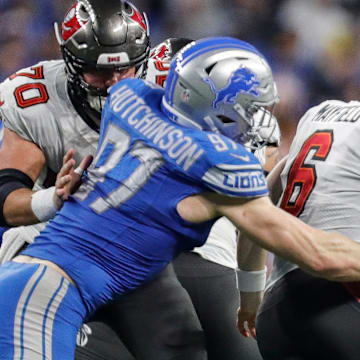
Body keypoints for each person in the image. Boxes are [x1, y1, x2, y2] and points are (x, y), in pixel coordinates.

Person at [0, 36, 359, 360]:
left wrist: (250, 296)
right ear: (210, 103)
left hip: (62, 283)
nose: (254, 118)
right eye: (248, 106)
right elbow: (320, 255)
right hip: (45, 296)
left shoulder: (128, 99)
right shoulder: (223, 165)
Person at [0, 1, 207, 360]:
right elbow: (5, 196)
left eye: (124, 69)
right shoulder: (38, 99)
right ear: (71, 62)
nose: (112, 83)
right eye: (97, 71)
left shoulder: (165, 95)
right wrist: (52, 199)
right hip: (45, 240)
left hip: (132, 248)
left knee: (185, 346)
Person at [146, 37, 282, 360]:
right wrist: (250, 294)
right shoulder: (253, 131)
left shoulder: (127, 118)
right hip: (213, 269)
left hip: (139, 269)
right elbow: (255, 226)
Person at [255, 99, 360, 360]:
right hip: (339, 297)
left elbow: (261, 199)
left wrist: (249, 293)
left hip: (274, 308)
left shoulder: (317, 113)